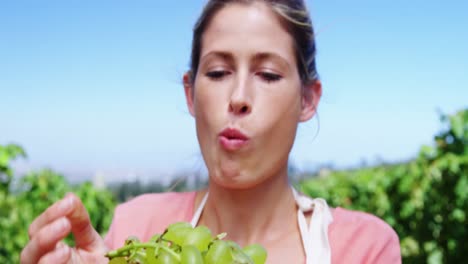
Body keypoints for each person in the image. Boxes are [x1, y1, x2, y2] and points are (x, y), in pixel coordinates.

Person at [20, 0, 401, 263]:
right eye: (218, 73)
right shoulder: (135, 228)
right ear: (190, 93)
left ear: (307, 100)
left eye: (268, 75)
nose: (238, 98)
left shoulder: (363, 248)